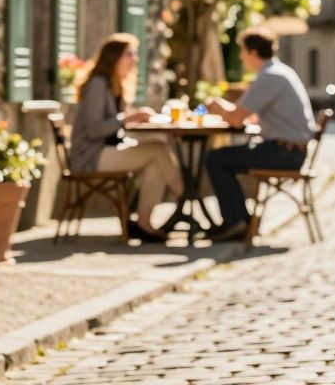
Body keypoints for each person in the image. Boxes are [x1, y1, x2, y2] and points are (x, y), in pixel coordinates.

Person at [203, 27, 317, 242]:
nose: (240, 57)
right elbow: (250, 115)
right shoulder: (280, 72)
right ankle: (241, 221)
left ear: (253, 52)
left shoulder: (270, 77)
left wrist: (216, 106)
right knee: (222, 157)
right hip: (290, 150)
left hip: (284, 153)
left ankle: (236, 222)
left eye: (242, 51)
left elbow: (236, 119)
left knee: (216, 159)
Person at [69, 33, 183, 243]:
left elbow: (116, 125)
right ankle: (186, 198)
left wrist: (136, 120)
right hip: (90, 157)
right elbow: (94, 129)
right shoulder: (98, 84)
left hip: (107, 150)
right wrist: (129, 118)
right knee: (158, 149)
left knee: (155, 159)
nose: (135, 59)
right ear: (114, 57)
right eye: (129, 54)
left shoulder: (115, 85)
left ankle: (144, 224)